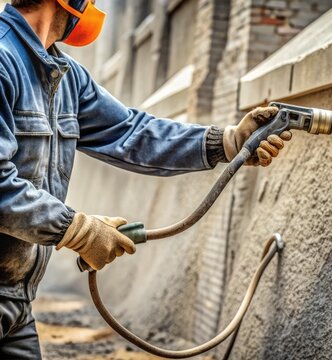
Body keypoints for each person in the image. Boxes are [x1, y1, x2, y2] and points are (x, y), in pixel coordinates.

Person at [0, 0, 292, 357]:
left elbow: (131, 132)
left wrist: (227, 142)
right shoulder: (3, 60)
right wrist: (76, 229)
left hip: (16, 301)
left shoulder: (64, 77)